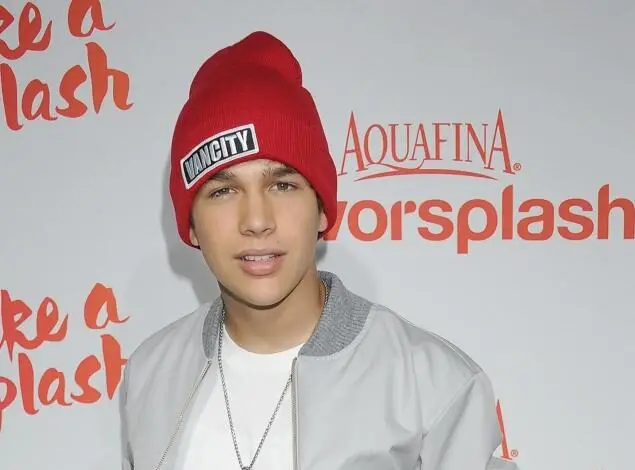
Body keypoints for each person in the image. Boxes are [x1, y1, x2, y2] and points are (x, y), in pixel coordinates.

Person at [118, 30, 519, 470]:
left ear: (323, 210)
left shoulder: (432, 384)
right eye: (223, 191)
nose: (257, 220)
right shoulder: (150, 375)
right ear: (192, 225)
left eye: (283, 185)